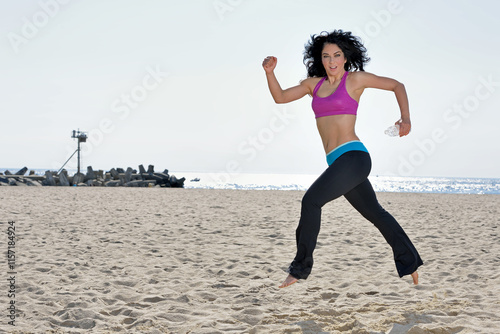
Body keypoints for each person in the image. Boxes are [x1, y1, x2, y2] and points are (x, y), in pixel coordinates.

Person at [262, 30, 423, 289]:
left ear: (345, 57)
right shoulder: (311, 85)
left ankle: (300, 268)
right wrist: (270, 73)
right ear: (321, 59)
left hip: (354, 157)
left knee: (311, 201)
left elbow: (397, 85)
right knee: (377, 214)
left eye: (337, 55)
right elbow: (280, 97)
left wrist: (405, 117)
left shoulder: (355, 80)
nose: (332, 60)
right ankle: (411, 263)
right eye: (326, 56)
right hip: (337, 163)